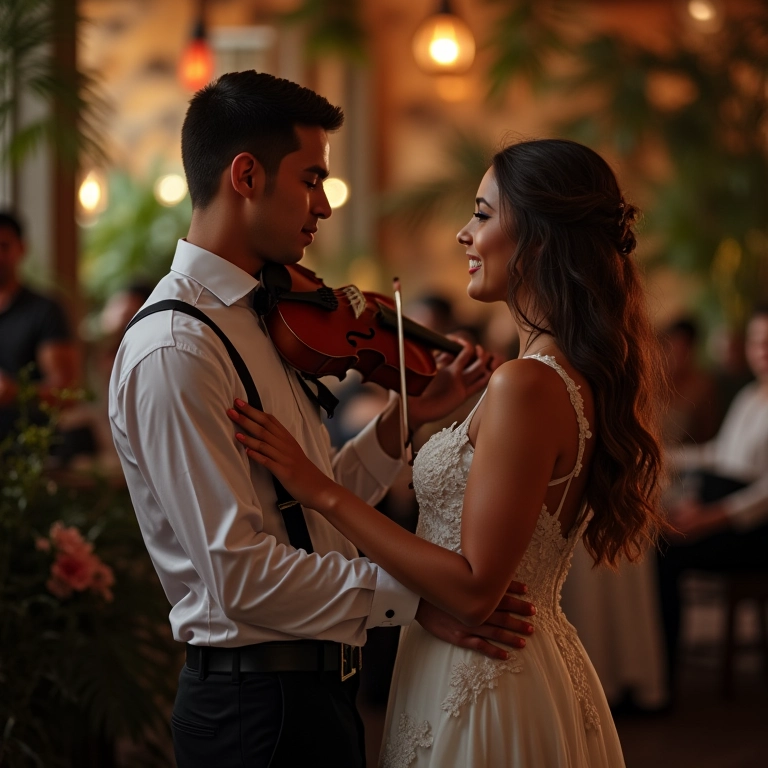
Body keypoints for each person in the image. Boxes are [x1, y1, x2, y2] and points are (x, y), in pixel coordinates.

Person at [108, 71, 536, 768]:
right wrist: (421, 599)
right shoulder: (177, 348)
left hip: (316, 692)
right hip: (255, 712)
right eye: (311, 179)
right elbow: (239, 575)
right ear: (246, 175)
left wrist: (402, 424)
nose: (324, 207)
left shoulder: (267, 316)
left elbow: (302, 509)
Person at [231, 138, 669, 766]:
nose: (465, 234)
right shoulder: (554, 376)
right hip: (490, 660)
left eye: (484, 215)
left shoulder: (527, 383)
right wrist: (408, 416)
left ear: (540, 241)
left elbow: (471, 592)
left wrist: (318, 487)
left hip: (487, 673)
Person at [657, 305, 768, 690]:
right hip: (722, 510)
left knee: (664, 555)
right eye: (757, 341)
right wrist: (657, 453)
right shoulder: (751, 396)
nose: (762, 350)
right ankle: (658, 667)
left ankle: (662, 677)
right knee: (657, 541)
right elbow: (719, 454)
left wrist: (712, 516)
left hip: (753, 530)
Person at [0, 210, 79, 440]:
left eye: (4, 246)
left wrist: (14, 392)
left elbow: (67, 393)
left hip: (28, 452)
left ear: (21, 248)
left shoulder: (44, 311)